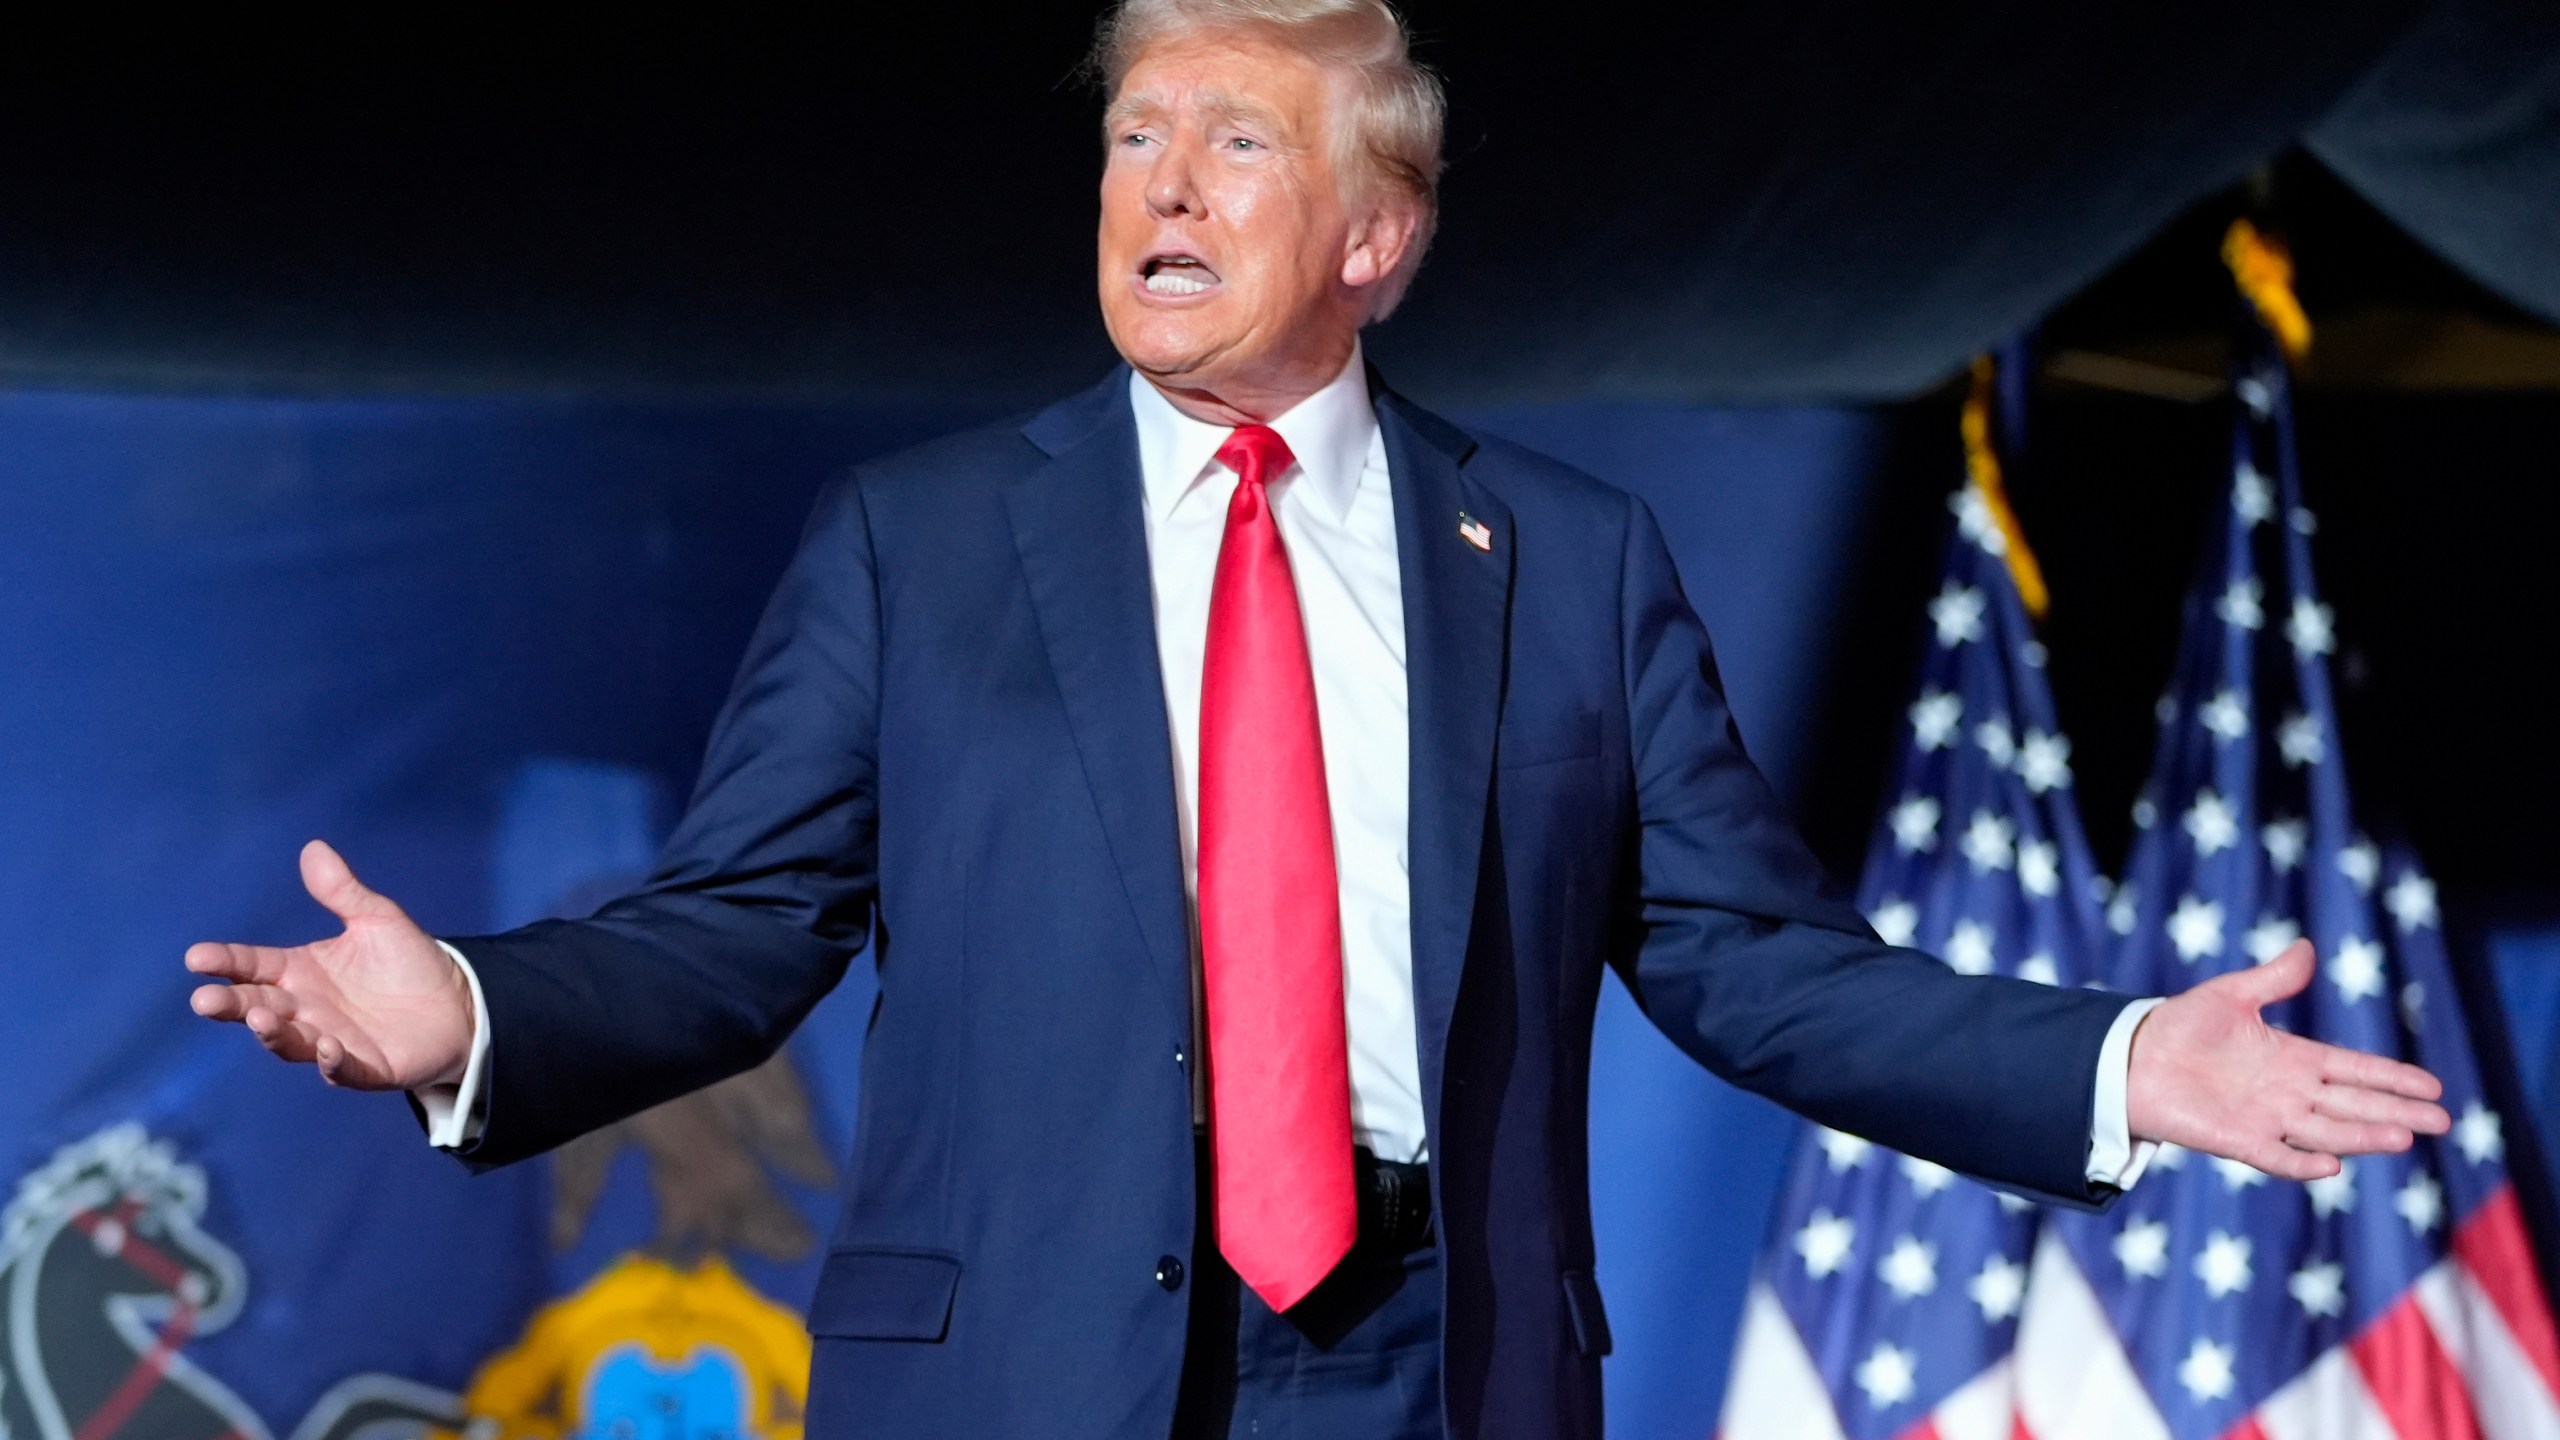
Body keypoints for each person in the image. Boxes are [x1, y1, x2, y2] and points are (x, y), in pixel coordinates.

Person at [183, 3, 2451, 1436]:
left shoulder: (1562, 556)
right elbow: (735, 927)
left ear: (1377, 233)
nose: (1156, 186)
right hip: (1024, 1366)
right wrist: (465, 1013)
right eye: (1130, 138)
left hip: (1422, 1360)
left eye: (1235, 145)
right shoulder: (922, 540)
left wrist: (2112, 1064)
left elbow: (1749, 967)